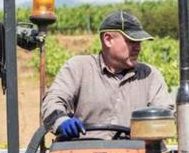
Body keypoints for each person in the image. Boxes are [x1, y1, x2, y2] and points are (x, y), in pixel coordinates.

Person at [40, 11, 174, 140]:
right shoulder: (78, 68)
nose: (138, 47)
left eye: (139, 42)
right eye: (131, 41)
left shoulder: (150, 76)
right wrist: (62, 121)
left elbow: (164, 113)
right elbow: (53, 101)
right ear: (108, 39)